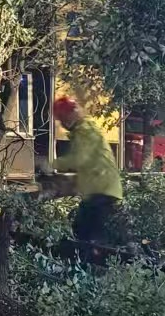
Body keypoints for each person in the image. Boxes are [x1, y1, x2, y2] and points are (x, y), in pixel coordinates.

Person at [42, 94, 125, 249]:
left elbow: (80, 158)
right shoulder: (85, 129)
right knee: (87, 233)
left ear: (69, 116)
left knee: (85, 234)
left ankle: (92, 259)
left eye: (62, 119)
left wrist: (52, 164)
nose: (62, 124)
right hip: (102, 188)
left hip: (102, 190)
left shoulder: (84, 130)